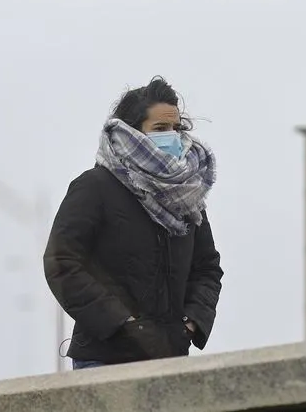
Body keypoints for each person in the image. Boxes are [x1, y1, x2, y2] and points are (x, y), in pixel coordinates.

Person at [43, 77, 223, 370]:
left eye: (177, 128)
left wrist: (191, 323)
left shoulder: (188, 198)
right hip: (102, 359)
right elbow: (61, 262)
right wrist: (122, 323)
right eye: (160, 129)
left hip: (170, 359)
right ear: (132, 131)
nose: (173, 137)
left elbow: (207, 268)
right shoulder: (95, 187)